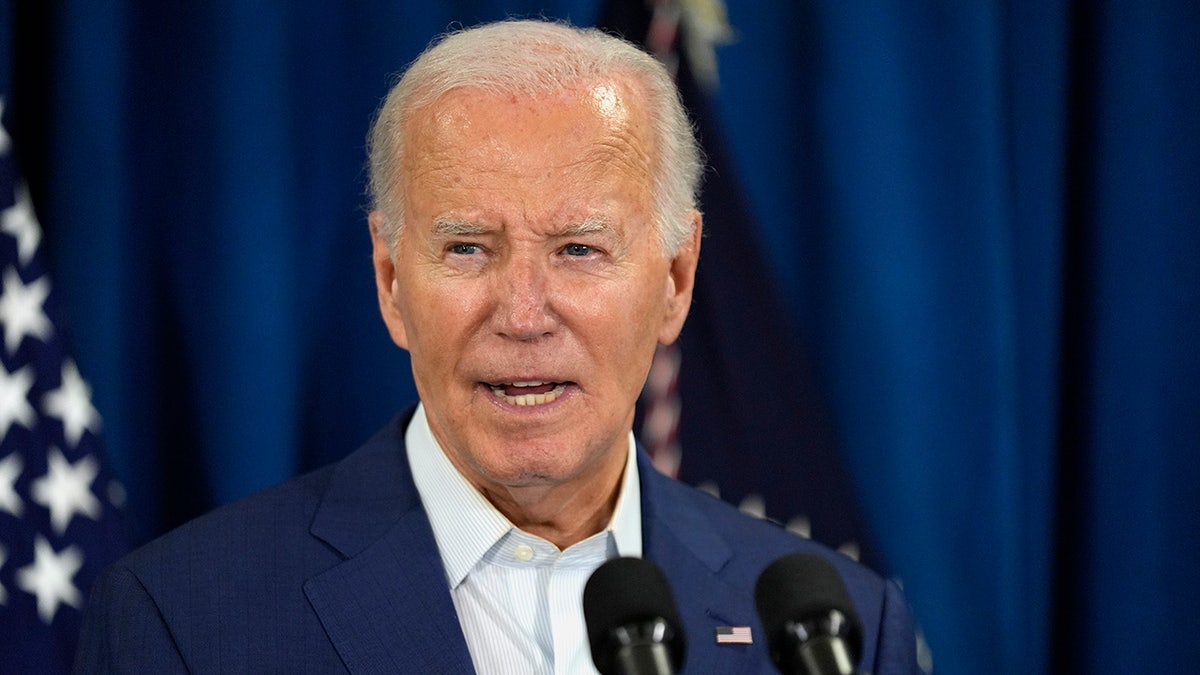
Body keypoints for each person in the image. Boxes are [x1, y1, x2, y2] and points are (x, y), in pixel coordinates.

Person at [75, 19, 921, 674]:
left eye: (579, 250)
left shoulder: (838, 630)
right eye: (469, 248)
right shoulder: (185, 618)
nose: (522, 314)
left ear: (675, 279)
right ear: (390, 281)